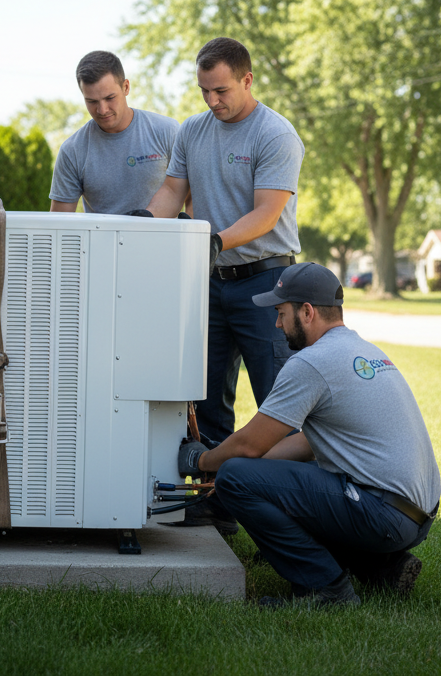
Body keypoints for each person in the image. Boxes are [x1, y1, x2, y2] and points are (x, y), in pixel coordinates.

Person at [177, 262, 441, 609]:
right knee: (267, 479)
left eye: (281, 313)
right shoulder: (362, 349)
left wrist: (201, 459)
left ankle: (329, 590)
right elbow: (304, 445)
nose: (276, 323)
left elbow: (249, 443)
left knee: (235, 479)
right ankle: (378, 567)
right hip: (417, 516)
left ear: (307, 311)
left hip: (384, 515)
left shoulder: (311, 363)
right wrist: (244, 460)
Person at [145, 36, 303, 532]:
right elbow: (173, 191)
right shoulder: (193, 131)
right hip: (209, 284)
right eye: (204, 91)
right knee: (207, 397)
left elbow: (266, 212)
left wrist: (213, 240)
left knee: (278, 397)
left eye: (221, 90)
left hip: (267, 283)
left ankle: (291, 506)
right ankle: (216, 502)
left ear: (247, 80)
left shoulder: (275, 134)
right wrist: (143, 226)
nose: (212, 101)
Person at [49, 50, 179, 215]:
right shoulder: (72, 150)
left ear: (126, 87)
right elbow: (60, 222)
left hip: (162, 240)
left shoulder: (167, 131)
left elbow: (192, 193)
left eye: (110, 98)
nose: (102, 110)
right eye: (92, 101)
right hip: (99, 241)